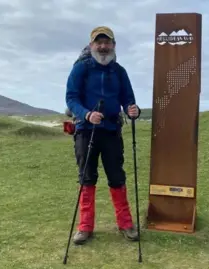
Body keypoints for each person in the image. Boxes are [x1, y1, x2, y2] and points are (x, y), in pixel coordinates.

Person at [65, 26, 141, 245]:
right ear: (91, 46)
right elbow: (71, 98)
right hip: (85, 131)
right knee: (87, 177)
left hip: (111, 131)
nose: (103, 46)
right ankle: (85, 227)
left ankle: (125, 223)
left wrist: (131, 109)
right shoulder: (81, 69)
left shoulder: (119, 71)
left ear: (113, 46)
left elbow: (128, 99)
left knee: (116, 177)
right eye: (98, 42)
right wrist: (87, 115)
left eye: (107, 42)